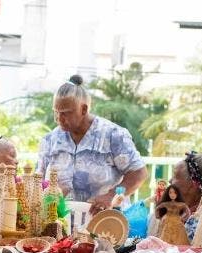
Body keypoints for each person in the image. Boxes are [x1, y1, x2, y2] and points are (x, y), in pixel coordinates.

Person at [37, 75, 148, 214]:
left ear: (83, 109)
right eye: (56, 113)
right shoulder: (50, 140)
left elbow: (139, 173)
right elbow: (39, 180)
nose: (59, 119)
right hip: (61, 225)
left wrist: (111, 195)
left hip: (105, 222)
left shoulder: (113, 135)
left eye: (66, 113)